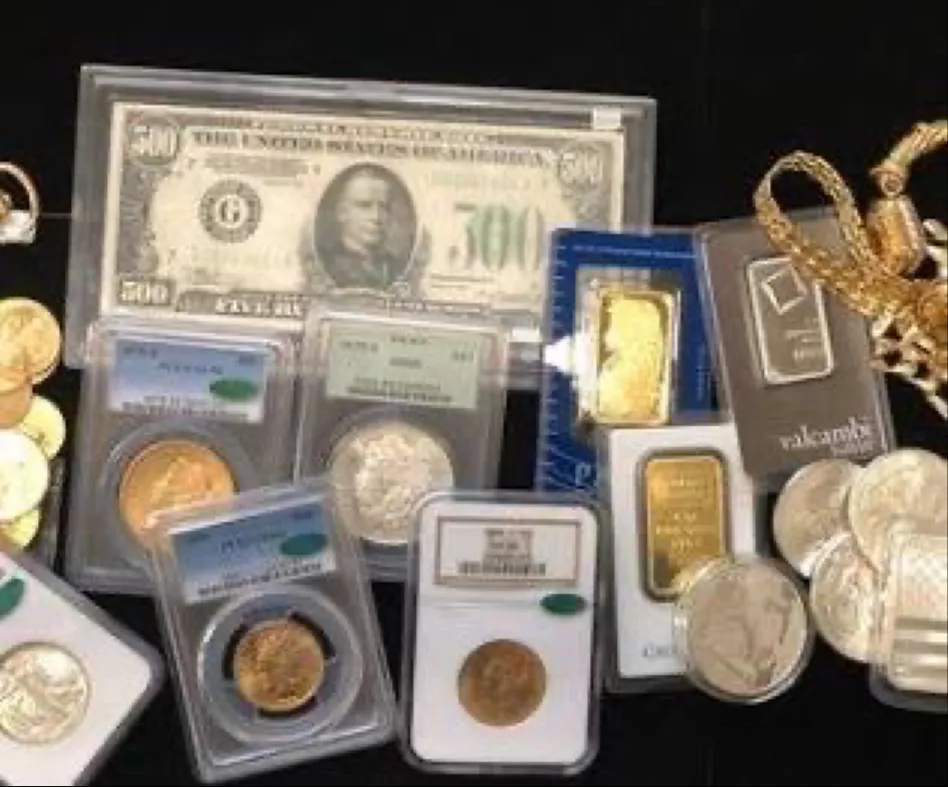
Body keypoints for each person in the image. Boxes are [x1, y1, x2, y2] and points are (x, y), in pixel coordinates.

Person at [318, 165, 410, 289]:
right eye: (364, 206)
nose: (376, 217)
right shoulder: (328, 264)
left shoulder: (396, 268)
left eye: (384, 207)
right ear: (342, 212)